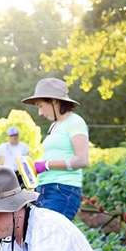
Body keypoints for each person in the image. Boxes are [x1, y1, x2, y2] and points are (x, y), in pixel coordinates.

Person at [22, 78, 89, 220]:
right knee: (42, 236)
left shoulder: (75, 122)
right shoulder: (55, 126)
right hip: (45, 188)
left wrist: (46, 165)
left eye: (41, 106)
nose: (40, 112)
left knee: (52, 237)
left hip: (62, 190)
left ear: (54, 101)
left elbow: (82, 160)